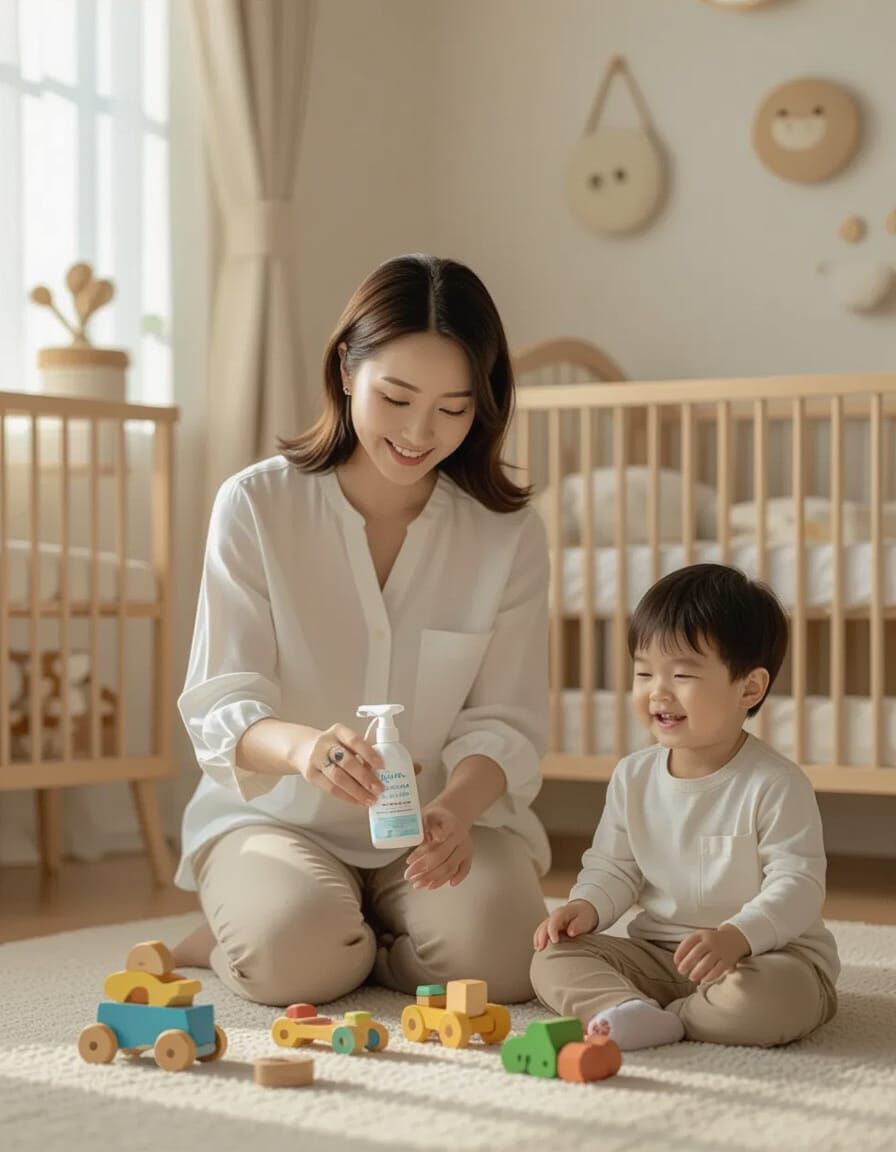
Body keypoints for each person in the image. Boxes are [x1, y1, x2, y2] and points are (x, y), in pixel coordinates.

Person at [171, 254, 551, 1007]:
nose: (419, 432)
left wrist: (455, 812)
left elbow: (504, 720)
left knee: (505, 967)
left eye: (453, 408)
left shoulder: (505, 535)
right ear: (347, 369)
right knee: (291, 958)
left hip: (440, 826)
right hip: (280, 821)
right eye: (397, 397)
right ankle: (292, 929)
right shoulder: (256, 507)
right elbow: (223, 706)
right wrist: (307, 751)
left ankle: (367, 940)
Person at [531, 563, 839, 1049]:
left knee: (772, 999)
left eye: (681, 674)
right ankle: (629, 1007)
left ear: (750, 688)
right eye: (644, 672)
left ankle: (667, 1017)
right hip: (659, 956)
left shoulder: (775, 783)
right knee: (552, 957)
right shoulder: (633, 776)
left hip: (764, 957)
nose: (658, 691)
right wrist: (586, 905)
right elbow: (615, 867)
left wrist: (738, 936)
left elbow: (798, 886)